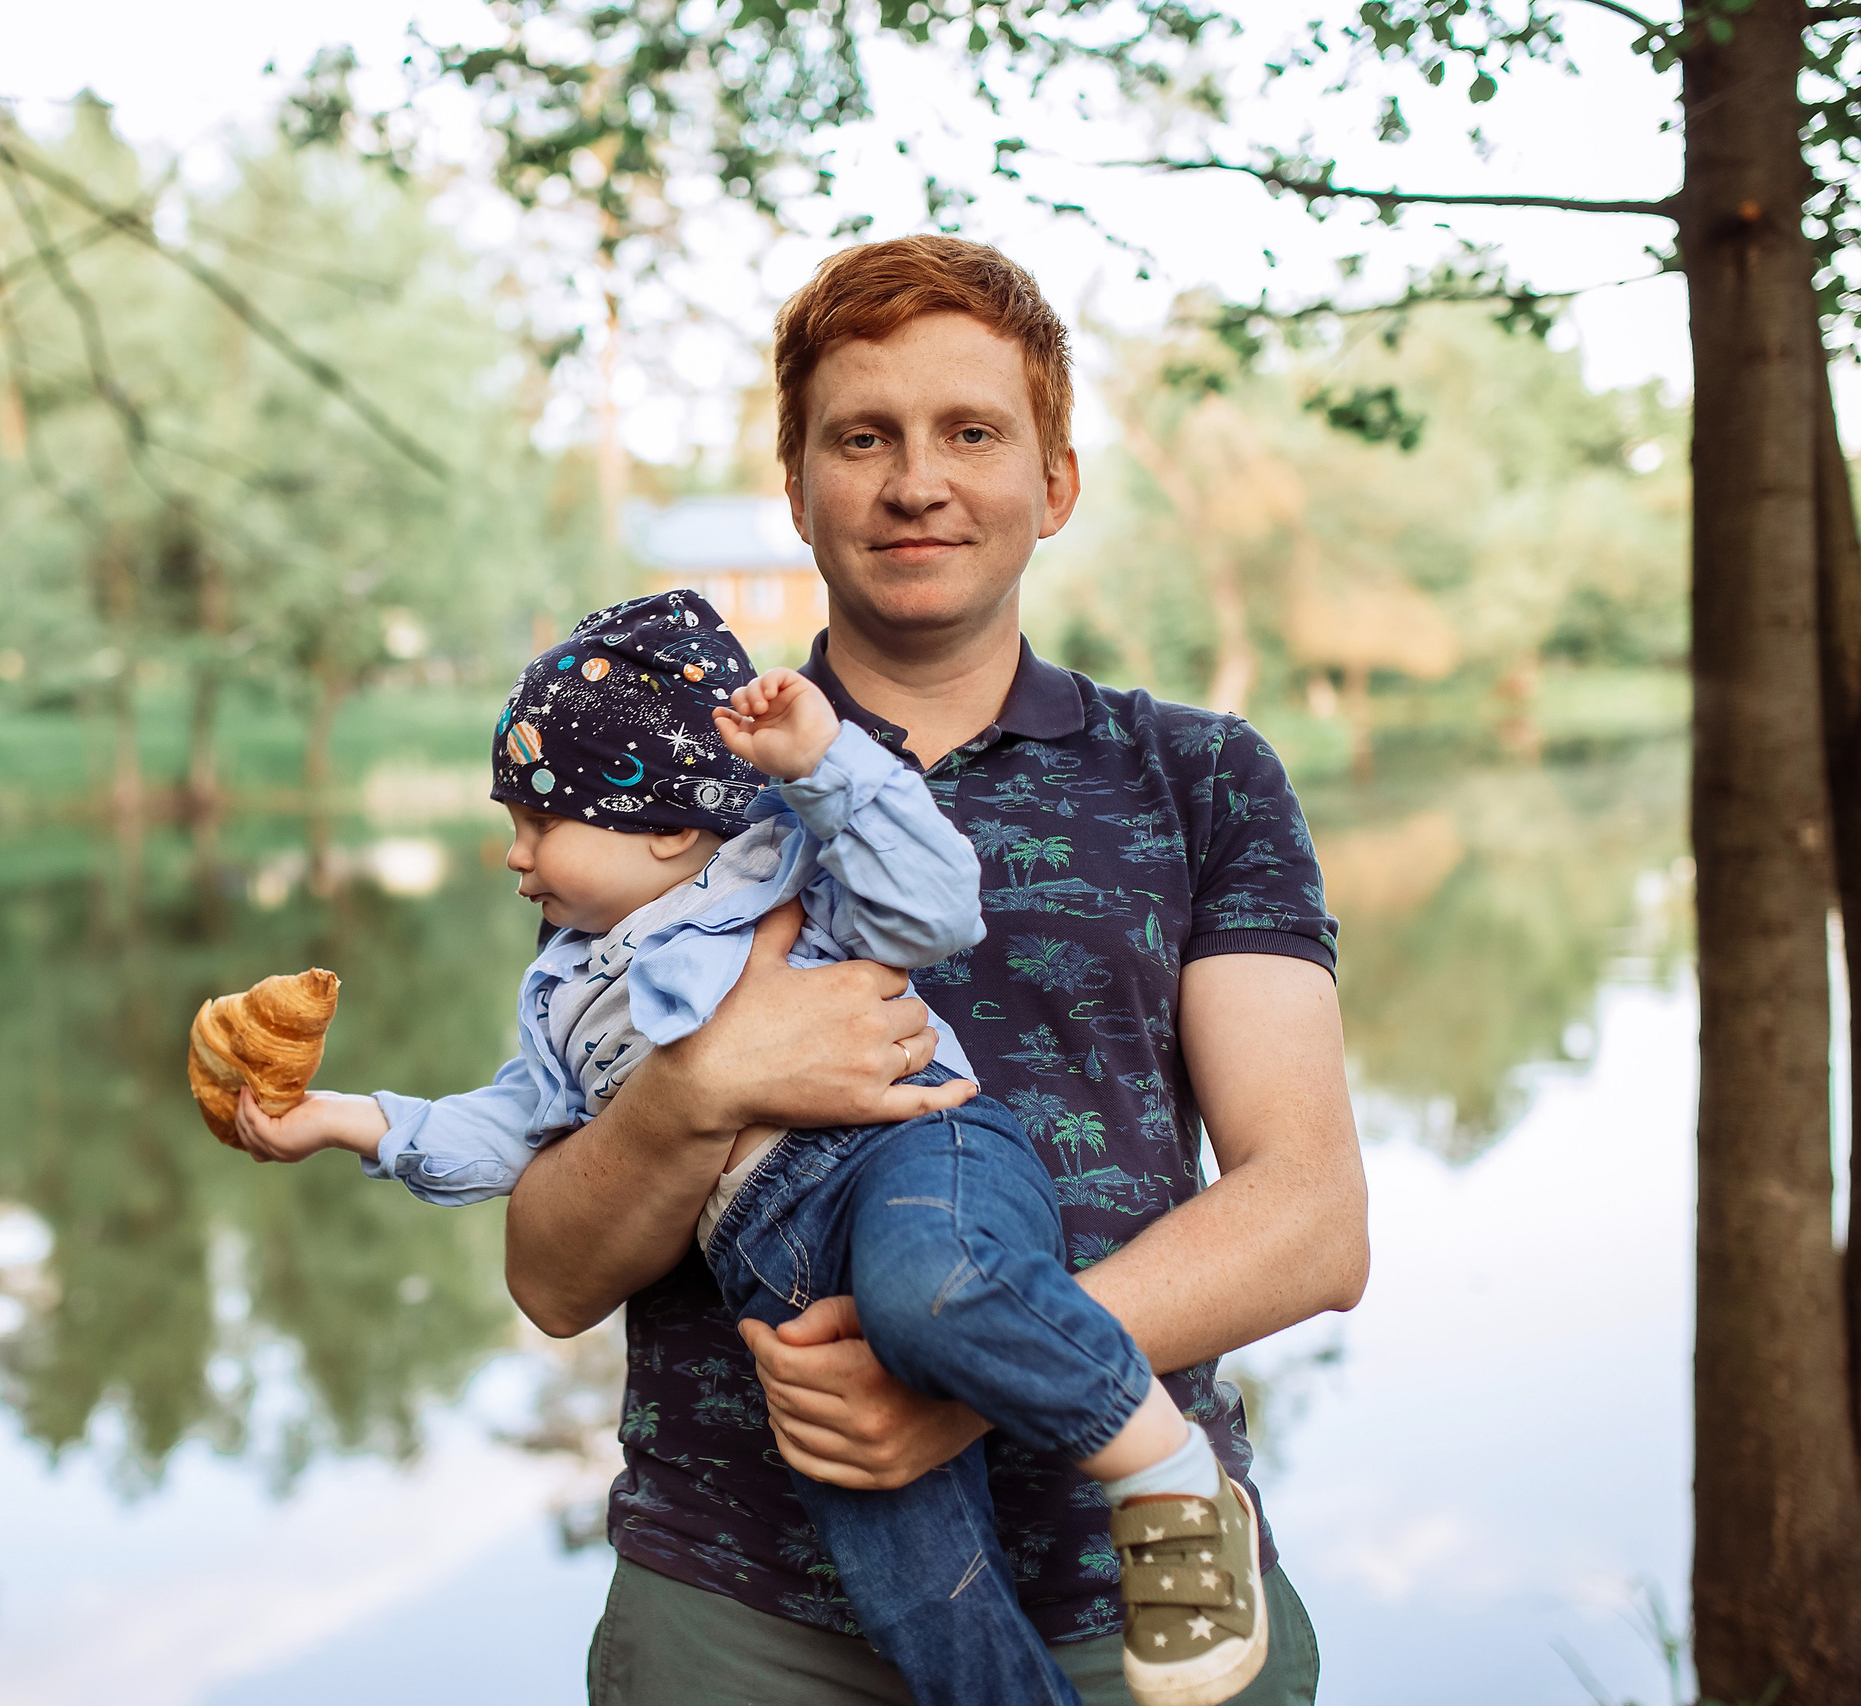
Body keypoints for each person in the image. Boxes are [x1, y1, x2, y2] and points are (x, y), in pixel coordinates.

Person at [501, 236, 1366, 1706]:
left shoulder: (1199, 774)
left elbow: (1310, 1220)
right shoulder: (676, 794)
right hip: (740, 1615)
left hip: (1135, 1602)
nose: (917, 481)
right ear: (797, 488)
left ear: (1056, 484)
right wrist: (706, 1083)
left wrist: (968, 1373)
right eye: (863, 437)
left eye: (971, 431)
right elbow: (553, 1271)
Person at [238, 587, 1267, 1706]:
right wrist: (349, 1119)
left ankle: (1166, 1475)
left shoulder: (789, 873)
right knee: (914, 1584)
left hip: (910, 1157)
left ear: (667, 822)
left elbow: (935, 907)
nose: (512, 854)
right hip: (773, 1267)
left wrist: (824, 758)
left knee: (939, 1287)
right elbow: (511, 1132)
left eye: (537, 822)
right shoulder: (564, 990)